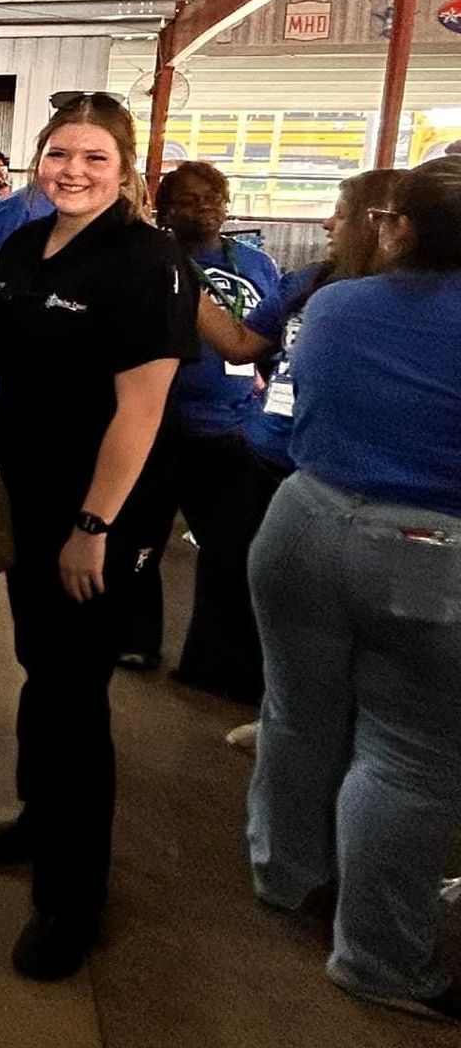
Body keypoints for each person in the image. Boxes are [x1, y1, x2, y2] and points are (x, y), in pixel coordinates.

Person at [0, 90, 197, 981]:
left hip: (102, 511)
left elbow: (140, 413)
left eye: (93, 157)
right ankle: (40, 816)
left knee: (75, 692)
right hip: (29, 497)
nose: (72, 170)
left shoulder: (148, 263)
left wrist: (92, 526)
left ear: (126, 168)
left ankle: (74, 899)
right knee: (42, 663)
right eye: (59, 154)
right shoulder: (28, 244)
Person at [247, 157, 461, 1023]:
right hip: (433, 548)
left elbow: (295, 415)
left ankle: (284, 873)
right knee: (410, 757)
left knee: (297, 712)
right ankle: (377, 956)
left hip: (303, 523)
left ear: (395, 227)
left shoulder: (334, 305)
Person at [195, 168, 403, 751]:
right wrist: (183, 283)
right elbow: (241, 344)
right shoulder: (308, 283)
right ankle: (287, 714)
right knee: (284, 605)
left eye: (340, 210)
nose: (327, 222)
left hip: (339, 477)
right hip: (268, 460)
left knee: (351, 616)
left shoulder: (406, 303)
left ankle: (358, 730)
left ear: (382, 223)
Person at [117, 163, 280, 697]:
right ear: (163, 208)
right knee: (140, 540)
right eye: (187, 199)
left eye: (215, 196)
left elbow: (273, 341)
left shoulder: (257, 264)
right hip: (155, 425)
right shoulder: (147, 262)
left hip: (230, 429)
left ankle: (212, 660)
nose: (204, 206)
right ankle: (135, 638)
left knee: (229, 549)